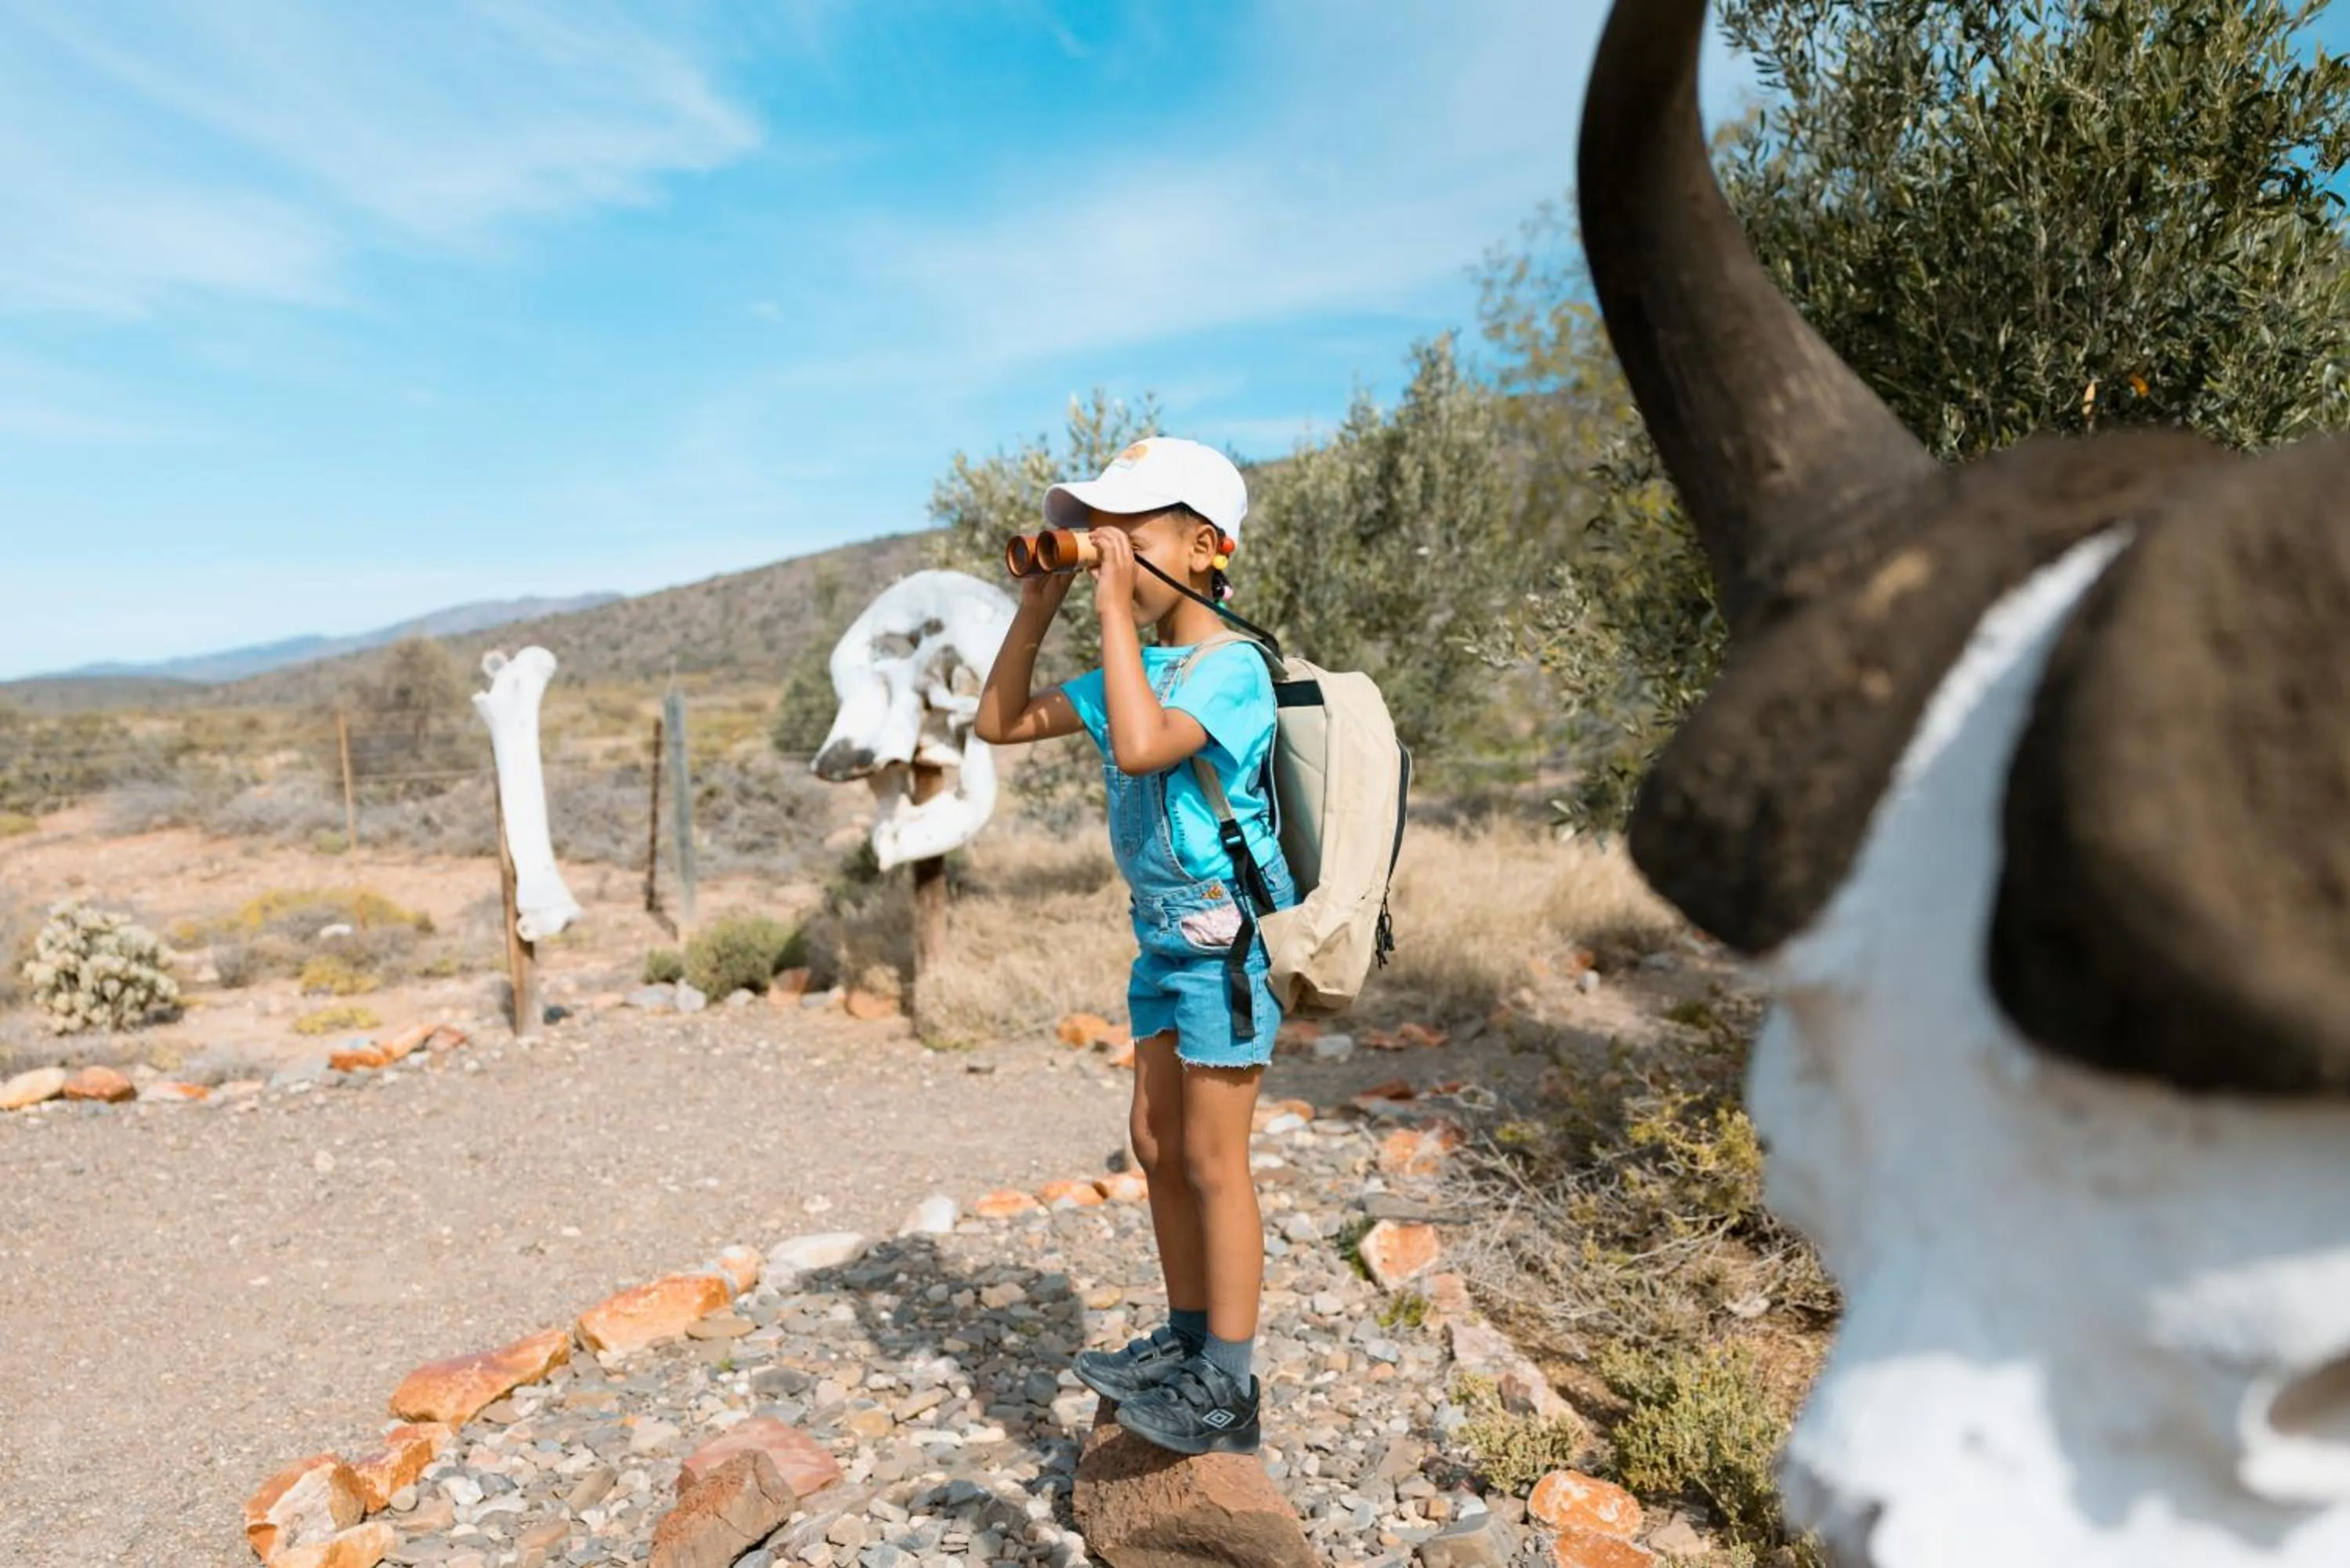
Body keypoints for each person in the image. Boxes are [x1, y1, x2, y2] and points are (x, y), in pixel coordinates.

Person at [972, 435, 1294, 1456]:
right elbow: (999, 721)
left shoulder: (1233, 669)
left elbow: (1152, 740)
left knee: (1211, 1157)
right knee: (1155, 1147)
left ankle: (1229, 1388)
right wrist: (1041, 604)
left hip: (1225, 947)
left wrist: (1109, 605)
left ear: (1206, 546)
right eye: (1093, 534)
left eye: (1128, 533)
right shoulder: (1135, 666)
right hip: (1160, 946)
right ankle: (1190, 1341)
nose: (1103, 548)